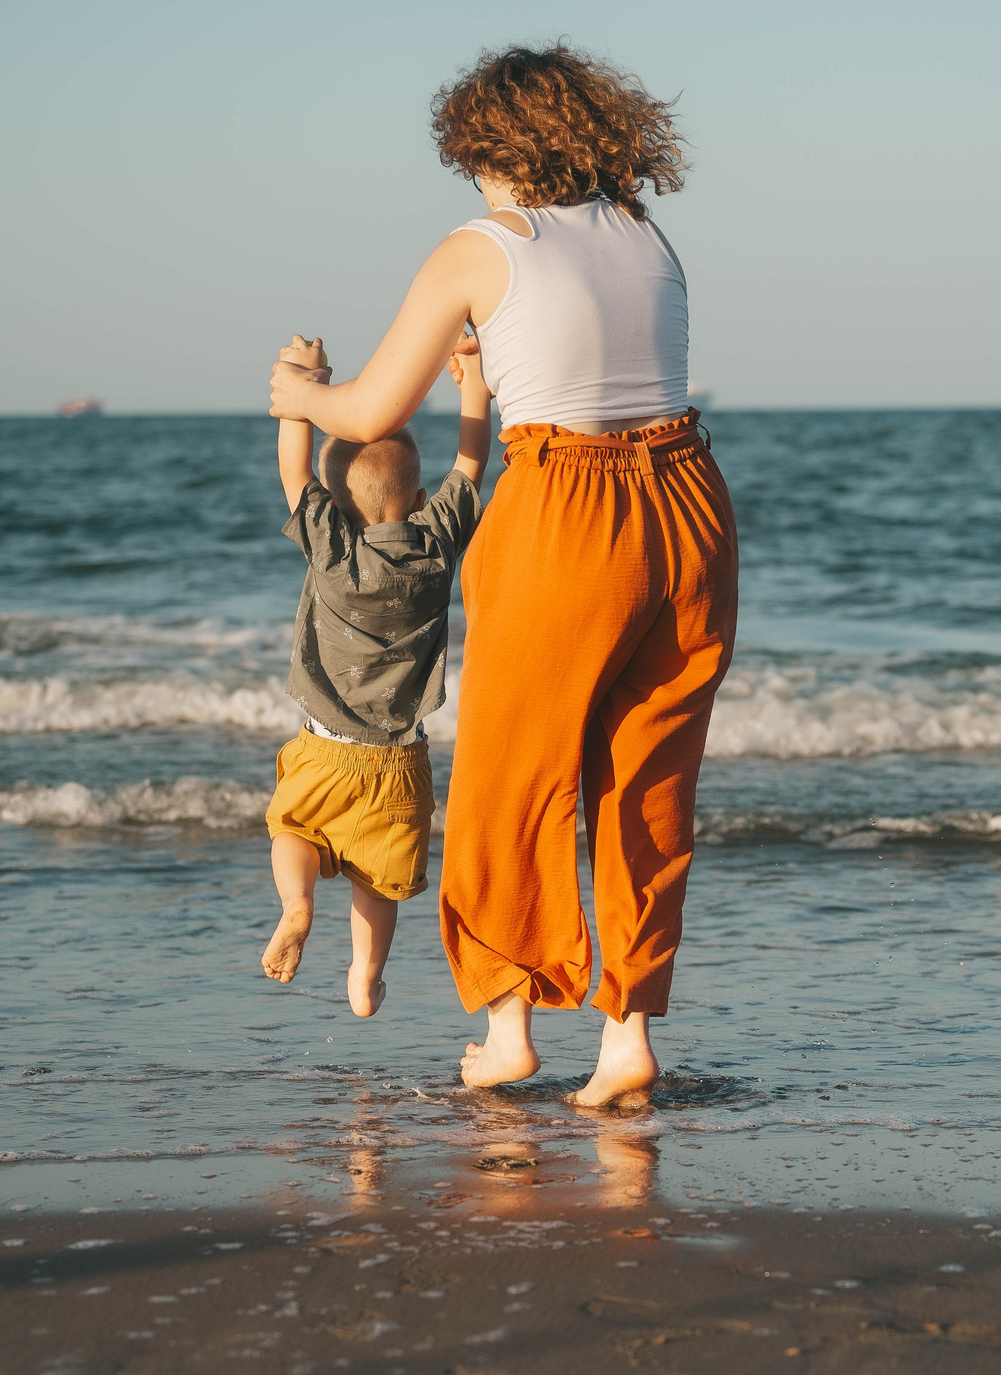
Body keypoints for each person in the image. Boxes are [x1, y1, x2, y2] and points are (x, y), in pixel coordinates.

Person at [267, 44, 737, 1110]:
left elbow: (374, 413)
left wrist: (298, 391)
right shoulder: (647, 235)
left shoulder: (483, 244)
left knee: (511, 778)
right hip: (690, 498)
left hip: (567, 505)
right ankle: (627, 1038)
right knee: (648, 783)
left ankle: (508, 1023)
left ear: (493, 147)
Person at [261, 333, 492, 1016]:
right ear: (418, 496)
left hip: (323, 749)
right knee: (379, 880)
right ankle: (365, 975)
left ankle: (297, 905)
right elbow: (473, 460)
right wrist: (473, 378)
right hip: (399, 765)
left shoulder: (330, 546)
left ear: (334, 500)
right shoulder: (436, 543)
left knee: (294, 829)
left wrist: (305, 383)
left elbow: (292, 469)